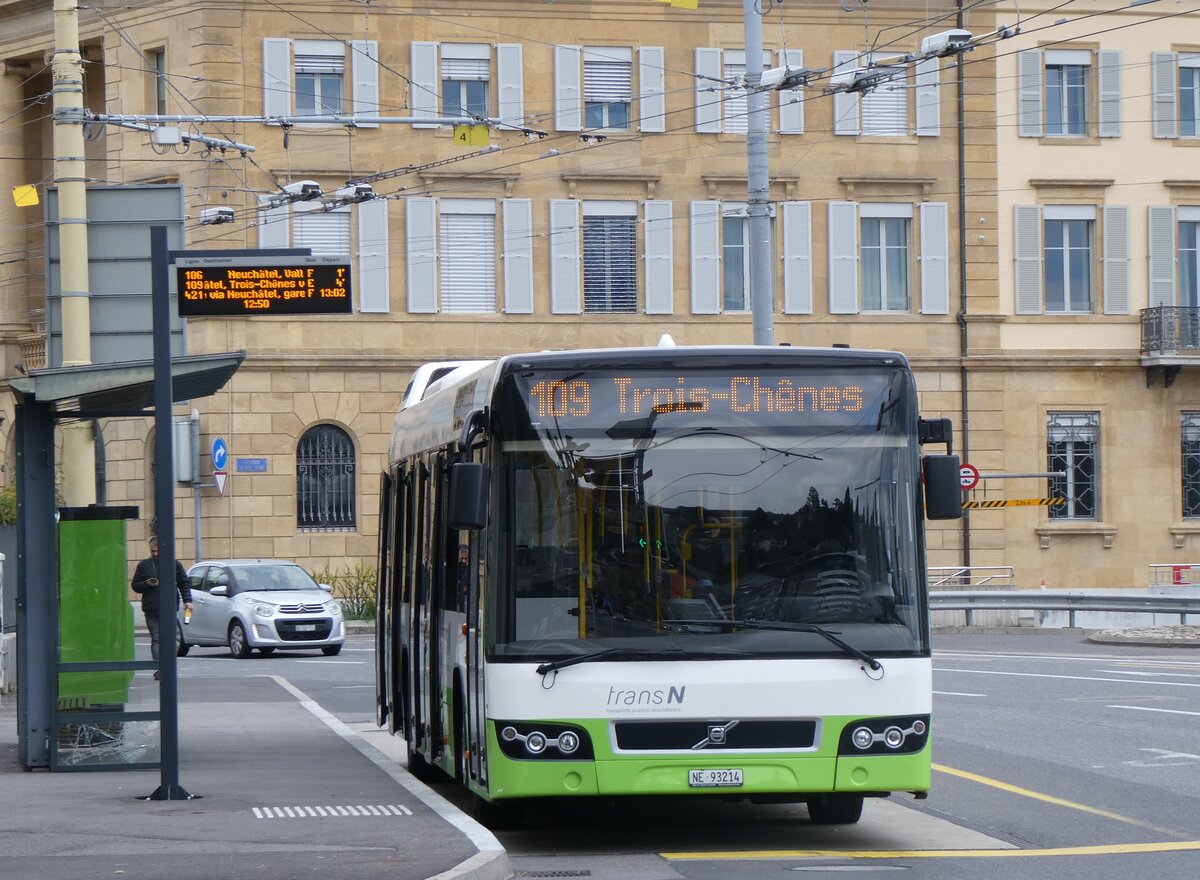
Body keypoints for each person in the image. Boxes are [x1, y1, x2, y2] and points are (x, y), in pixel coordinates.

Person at [131, 536, 192, 679]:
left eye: (158, 551)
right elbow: (135, 585)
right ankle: (160, 668)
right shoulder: (144, 565)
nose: (155, 554)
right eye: (153, 551)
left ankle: (167, 667)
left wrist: (188, 600)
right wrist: (147, 584)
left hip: (170, 608)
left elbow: (184, 583)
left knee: (170, 639)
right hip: (151, 609)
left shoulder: (174, 564)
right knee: (157, 638)